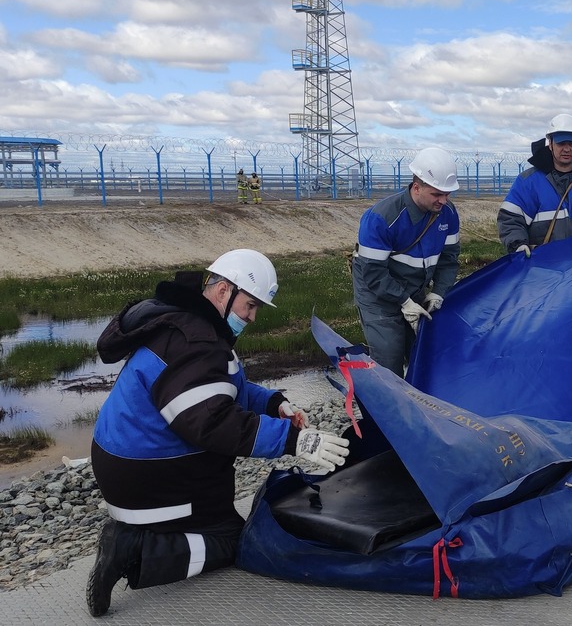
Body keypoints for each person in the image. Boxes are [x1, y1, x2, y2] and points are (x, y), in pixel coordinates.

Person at [87, 249, 350, 617]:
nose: (253, 317)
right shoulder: (196, 341)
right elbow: (212, 424)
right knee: (233, 540)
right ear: (224, 292)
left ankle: (148, 528)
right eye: (250, 305)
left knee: (221, 513)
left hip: (128, 458)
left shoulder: (188, 322)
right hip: (144, 471)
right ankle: (133, 549)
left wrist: (274, 403)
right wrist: (295, 440)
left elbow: (219, 387)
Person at [352, 147, 460, 376]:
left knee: (424, 352)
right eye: (437, 194)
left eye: (447, 194)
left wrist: (438, 292)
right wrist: (404, 301)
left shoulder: (448, 214)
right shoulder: (381, 218)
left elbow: (449, 260)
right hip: (378, 295)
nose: (443, 200)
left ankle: (421, 406)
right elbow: (374, 274)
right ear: (417, 187)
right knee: (389, 355)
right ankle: (386, 408)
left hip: (416, 289)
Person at [498, 113, 572, 257]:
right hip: (543, 269)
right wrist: (518, 244)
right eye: (561, 143)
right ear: (550, 144)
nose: (567, 149)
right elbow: (511, 219)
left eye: (571, 143)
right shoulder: (529, 182)